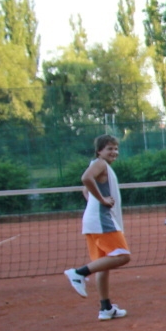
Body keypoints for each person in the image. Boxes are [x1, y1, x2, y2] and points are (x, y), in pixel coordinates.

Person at [63, 134, 132, 320]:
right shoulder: (100, 164)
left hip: (93, 220)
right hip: (102, 220)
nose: (114, 152)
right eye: (109, 148)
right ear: (99, 151)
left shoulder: (101, 166)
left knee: (103, 265)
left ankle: (106, 308)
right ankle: (78, 273)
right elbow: (85, 179)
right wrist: (101, 200)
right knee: (123, 256)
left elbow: (85, 189)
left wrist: (94, 201)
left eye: (116, 148)